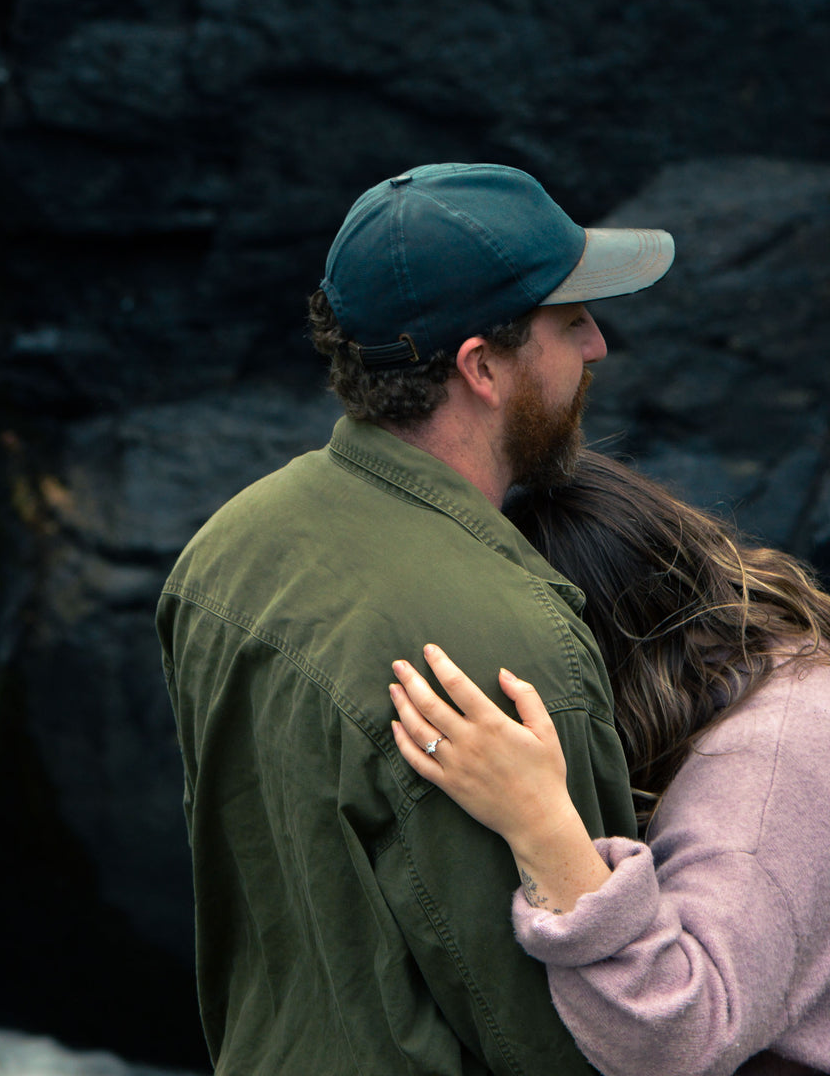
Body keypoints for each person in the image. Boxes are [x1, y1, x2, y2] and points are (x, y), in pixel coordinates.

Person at [157, 163, 674, 1074]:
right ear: (480, 367)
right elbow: (572, 1031)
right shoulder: (514, 645)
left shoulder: (223, 552)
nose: (596, 345)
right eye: (569, 321)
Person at [390, 450, 830, 1075]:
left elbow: (677, 1036)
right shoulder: (773, 666)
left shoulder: (760, 780)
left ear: (591, 646)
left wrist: (538, 820)